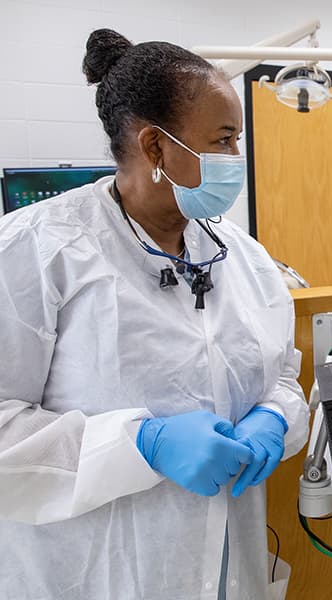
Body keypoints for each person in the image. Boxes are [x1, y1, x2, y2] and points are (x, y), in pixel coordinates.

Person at [0, 29, 309, 599]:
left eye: (236, 139)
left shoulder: (245, 259)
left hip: (225, 566)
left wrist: (275, 417)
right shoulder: (38, 250)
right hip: (93, 574)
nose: (234, 159)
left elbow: (283, 376)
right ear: (154, 147)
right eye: (221, 140)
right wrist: (140, 443)